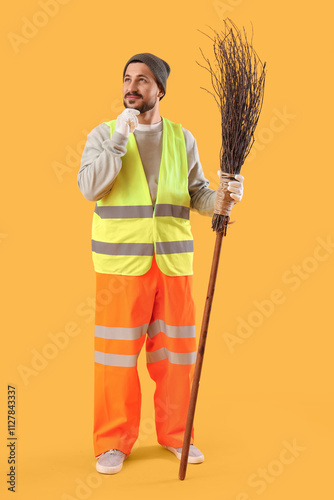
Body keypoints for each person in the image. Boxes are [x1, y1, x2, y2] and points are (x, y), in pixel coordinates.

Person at [78, 52, 244, 475]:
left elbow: (198, 193)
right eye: (127, 79)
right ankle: (112, 443)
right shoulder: (103, 134)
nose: (132, 86)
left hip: (172, 265)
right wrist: (118, 140)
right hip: (120, 268)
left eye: (143, 80)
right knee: (116, 358)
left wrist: (225, 196)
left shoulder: (181, 138)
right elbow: (90, 187)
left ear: (160, 90)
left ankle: (177, 435)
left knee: (176, 357)